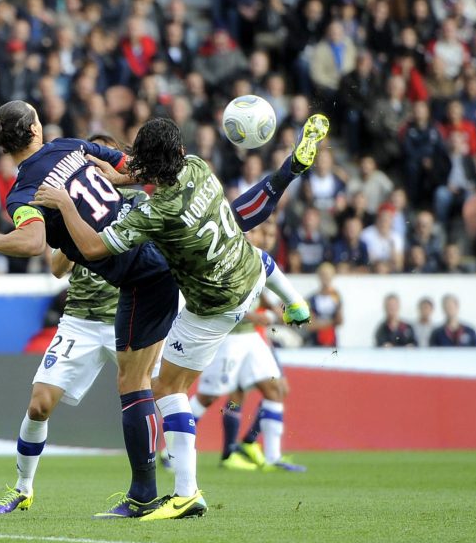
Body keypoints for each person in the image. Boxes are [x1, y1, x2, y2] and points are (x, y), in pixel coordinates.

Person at [32, 115, 325, 520]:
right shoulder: (198, 169)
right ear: (181, 152)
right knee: (241, 232)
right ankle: (296, 300)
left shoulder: (153, 214)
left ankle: (186, 491)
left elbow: (95, 247)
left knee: (165, 386)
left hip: (216, 306)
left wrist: (66, 203)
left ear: (146, 164)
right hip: (251, 273)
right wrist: (120, 181)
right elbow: (160, 177)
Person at [0, 101, 179, 519]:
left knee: (148, 388)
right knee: (44, 402)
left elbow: (32, 243)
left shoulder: (24, 192)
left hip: (139, 278)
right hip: (108, 298)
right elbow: (135, 168)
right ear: (35, 128)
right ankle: (25, 488)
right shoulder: (69, 148)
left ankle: (165, 488)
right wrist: (115, 179)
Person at [0, 249, 120, 514]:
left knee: (163, 393)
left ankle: (181, 490)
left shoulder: (136, 207)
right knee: (39, 405)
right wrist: (73, 236)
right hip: (79, 322)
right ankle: (23, 487)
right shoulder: (76, 210)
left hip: (129, 318)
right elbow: (58, 269)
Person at [187, 224, 306, 473]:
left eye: (264, 233)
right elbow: (219, 302)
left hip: (251, 338)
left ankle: (269, 455)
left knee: (274, 389)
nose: (261, 237)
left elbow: (259, 292)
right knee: (210, 397)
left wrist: (275, 309)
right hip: (228, 338)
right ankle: (174, 449)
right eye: (255, 232)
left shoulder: (258, 261)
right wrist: (256, 317)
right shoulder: (224, 260)